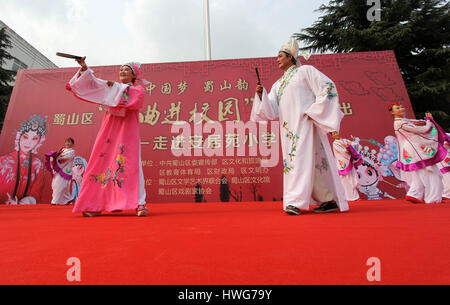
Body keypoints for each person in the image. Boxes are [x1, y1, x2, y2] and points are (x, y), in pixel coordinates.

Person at [251, 38, 348, 215]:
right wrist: (261, 95)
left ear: (291, 57)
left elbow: (327, 87)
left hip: (305, 124)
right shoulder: (277, 85)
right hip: (288, 130)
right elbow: (270, 111)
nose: (277, 59)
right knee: (300, 163)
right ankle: (328, 199)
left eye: (280, 56)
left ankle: (295, 202)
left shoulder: (305, 71)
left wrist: (314, 111)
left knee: (299, 162)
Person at [66, 57, 148, 216]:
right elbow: (94, 84)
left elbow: (133, 100)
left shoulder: (137, 90)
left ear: (134, 75)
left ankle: (140, 204)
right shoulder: (111, 87)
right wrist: (84, 68)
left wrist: (114, 87)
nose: (123, 72)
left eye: (127, 70)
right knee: (101, 162)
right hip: (109, 130)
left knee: (132, 165)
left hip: (127, 131)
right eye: (121, 69)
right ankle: (94, 205)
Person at [390, 103, 445, 203]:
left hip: (413, 149)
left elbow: (416, 122)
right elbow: (424, 130)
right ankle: (432, 198)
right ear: (393, 112)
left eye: (401, 106)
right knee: (430, 171)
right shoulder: (400, 123)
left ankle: (415, 194)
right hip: (416, 149)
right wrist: (429, 121)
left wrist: (424, 121)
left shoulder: (403, 121)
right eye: (397, 108)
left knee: (418, 173)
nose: (401, 108)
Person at [0, 115, 47, 204]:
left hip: (20, 209)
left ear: (39, 141)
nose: (28, 142)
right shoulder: (3, 161)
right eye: (25, 137)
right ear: (19, 136)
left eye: (34, 139)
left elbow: (36, 193)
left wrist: (20, 203)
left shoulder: (38, 164)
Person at [331, 131, 362, 202]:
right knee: (345, 181)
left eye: (336, 132)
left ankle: (355, 196)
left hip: (349, 161)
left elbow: (355, 145)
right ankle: (347, 197)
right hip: (343, 163)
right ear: (332, 136)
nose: (336, 134)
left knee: (352, 178)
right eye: (333, 134)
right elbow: (343, 151)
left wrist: (350, 146)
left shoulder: (345, 140)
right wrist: (348, 148)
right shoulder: (335, 143)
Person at [45, 138, 76, 205]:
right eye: (66, 142)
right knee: (61, 186)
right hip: (59, 171)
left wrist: (55, 157)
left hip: (64, 171)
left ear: (72, 144)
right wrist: (53, 156)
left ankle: (54, 201)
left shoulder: (72, 152)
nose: (67, 143)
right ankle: (68, 199)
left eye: (69, 142)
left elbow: (62, 159)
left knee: (59, 185)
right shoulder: (63, 150)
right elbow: (58, 158)